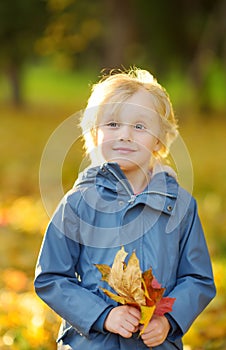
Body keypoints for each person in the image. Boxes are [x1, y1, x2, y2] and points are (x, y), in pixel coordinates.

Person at [34, 67, 216, 349]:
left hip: (155, 343)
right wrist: (102, 316)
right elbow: (52, 277)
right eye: (113, 124)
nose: (125, 135)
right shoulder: (78, 202)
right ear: (94, 134)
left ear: (159, 139)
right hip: (93, 343)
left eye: (140, 126)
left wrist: (169, 321)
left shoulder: (179, 205)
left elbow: (198, 278)